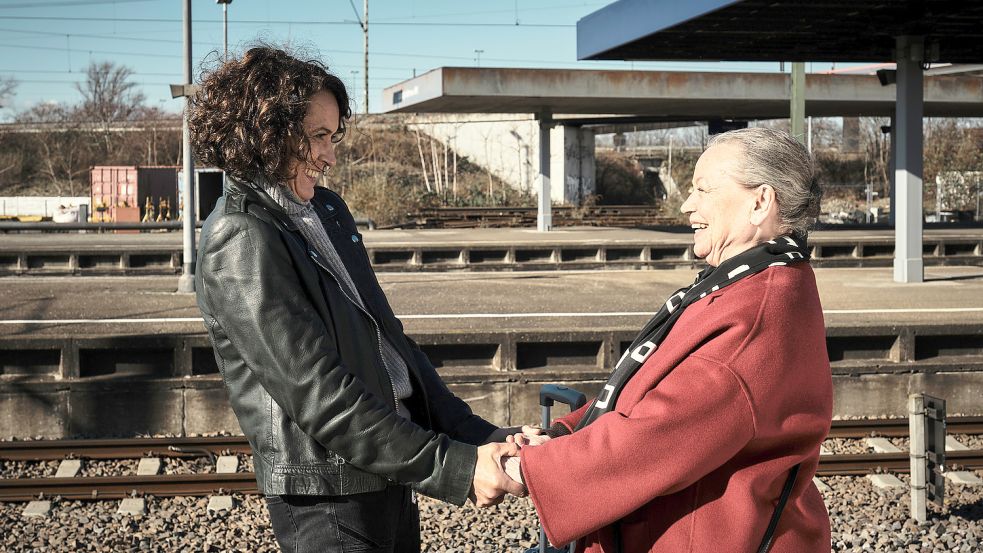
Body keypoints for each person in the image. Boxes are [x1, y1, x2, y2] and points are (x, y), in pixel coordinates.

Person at [190, 45, 529, 553]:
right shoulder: (240, 237)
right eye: (317, 137)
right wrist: (454, 467)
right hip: (331, 496)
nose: (330, 154)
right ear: (267, 134)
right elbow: (320, 396)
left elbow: (393, 350)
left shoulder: (323, 211)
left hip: (382, 470)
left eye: (333, 136)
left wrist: (480, 436)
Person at [504, 127, 833, 553]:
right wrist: (566, 433)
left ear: (760, 202)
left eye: (704, 190)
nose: (687, 204)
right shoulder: (749, 287)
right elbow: (653, 391)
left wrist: (527, 468)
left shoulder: (757, 313)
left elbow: (653, 438)